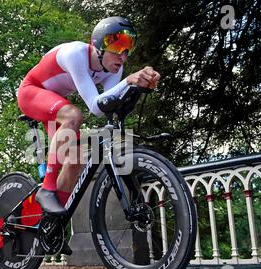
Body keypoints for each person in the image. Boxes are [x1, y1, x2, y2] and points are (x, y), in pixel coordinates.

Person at [17, 17, 160, 250]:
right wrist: (128, 81)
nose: (123, 55)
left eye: (128, 47)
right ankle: (47, 189)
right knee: (73, 116)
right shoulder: (76, 54)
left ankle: (52, 225)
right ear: (98, 45)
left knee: (76, 160)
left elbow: (109, 104)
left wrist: (137, 86)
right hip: (32, 92)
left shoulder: (115, 68)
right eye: (117, 47)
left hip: (56, 102)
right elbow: (94, 105)